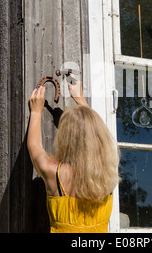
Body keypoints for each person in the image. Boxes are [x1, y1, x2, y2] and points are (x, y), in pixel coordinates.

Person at [27, 77, 120, 233]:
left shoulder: (54, 173)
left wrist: (36, 111)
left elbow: (34, 147)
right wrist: (80, 99)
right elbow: (100, 136)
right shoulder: (108, 173)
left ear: (65, 138)